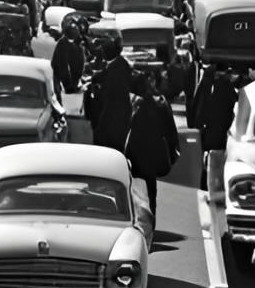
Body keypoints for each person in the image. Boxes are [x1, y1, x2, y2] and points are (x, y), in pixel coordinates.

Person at [123, 76, 182, 235]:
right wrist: (173, 151)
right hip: (152, 154)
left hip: (134, 153)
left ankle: (137, 223)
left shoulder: (134, 105)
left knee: (134, 190)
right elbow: (170, 131)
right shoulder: (160, 104)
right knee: (151, 190)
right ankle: (150, 225)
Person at [191, 66, 239, 206]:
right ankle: (216, 189)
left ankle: (208, 189)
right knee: (217, 159)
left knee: (209, 159)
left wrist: (198, 124)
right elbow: (233, 105)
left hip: (210, 128)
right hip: (220, 129)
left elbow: (198, 105)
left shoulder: (207, 83)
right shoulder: (225, 85)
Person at [85, 43, 135, 148]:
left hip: (115, 112)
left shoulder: (115, 68)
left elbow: (109, 87)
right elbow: (104, 74)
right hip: (121, 110)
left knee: (108, 139)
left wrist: (96, 89)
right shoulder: (119, 63)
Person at [51, 16, 87, 96]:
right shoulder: (62, 45)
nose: (78, 33)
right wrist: (68, 86)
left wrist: (79, 77)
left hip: (74, 81)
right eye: (75, 31)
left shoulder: (78, 44)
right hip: (64, 85)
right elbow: (62, 67)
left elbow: (80, 62)